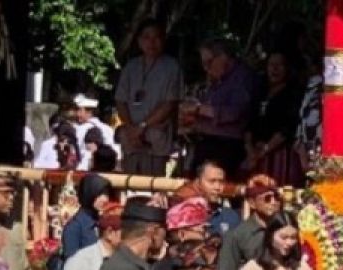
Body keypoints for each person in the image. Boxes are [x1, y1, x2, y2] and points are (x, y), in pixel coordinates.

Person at [115, 19, 184, 176]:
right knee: (130, 185)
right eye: (147, 37)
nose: (151, 42)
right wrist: (131, 127)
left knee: (154, 188)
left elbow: (170, 104)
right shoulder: (131, 67)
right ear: (139, 41)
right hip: (132, 138)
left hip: (156, 137)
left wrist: (143, 126)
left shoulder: (172, 67)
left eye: (156, 37)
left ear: (163, 40)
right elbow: (120, 100)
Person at [185, 38, 256, 176]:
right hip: (207, 142)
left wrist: (199, 109)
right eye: (203, 64)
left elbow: (235, 112)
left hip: (227, 146)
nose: (206, 68)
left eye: (209, 62)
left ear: (223, 57)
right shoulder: (217, 78)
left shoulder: (242, 77)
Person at [244, 52, 303, 186]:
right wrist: (250, 149)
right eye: (271, 64)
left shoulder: (293, 93)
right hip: (255, 154)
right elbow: (249, 121)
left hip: (280, 154)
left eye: (280, 65)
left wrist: (265, 150)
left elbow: (288, 127)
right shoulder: (260, 91)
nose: (274, 68)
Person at [53, 173, 111, 270]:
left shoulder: (103, 224)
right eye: (100, 194)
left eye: (106, 194)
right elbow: (72, 266)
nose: (105, 199)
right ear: (89, 194)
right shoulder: (74, 228)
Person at [173, 160, 241, 237]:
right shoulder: (182, 214)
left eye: (221, 182)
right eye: (212, 181)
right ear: (198, 182)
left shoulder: (230, 216)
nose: (217, 187)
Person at [72, 94, 117, 171]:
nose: (77, 114)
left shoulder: (80, 129)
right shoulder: (108, 129)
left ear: (89, 112)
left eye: (80, 110)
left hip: (84, 170)